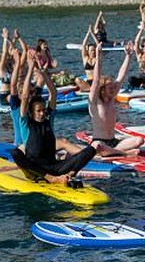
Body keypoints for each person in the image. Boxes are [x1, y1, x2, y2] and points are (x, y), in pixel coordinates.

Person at [10, 53, 117, 185]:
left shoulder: (48, 119)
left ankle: (69, 175)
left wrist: (43, 72)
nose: (42, 113)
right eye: (39, 111)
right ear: (31, 113)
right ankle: (52, 179)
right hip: (36, 171)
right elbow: (25, 96)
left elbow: (53, 93)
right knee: (15, 153)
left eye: (44, 110)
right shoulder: (26, 123)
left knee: (93, 148)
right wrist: (31, 68)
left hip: (54, 167)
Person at [88, 43, 143, 155]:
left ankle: (115, 151)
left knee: (139, 140)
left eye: (113, 87)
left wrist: (128, 56)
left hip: (113, 142)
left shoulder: (111, 98)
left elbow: (121, 76)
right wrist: (98, 57)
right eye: (110, 88)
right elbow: (96, 79)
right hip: (99, 142)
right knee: (98, 146)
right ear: (102, 89)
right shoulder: (95, 101)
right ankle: (125, 153)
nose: (114, 90)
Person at [74, 25, 99, 93]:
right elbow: (83, 45)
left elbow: (98, 45)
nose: (93, 52)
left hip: (96, 82)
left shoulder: (97, 59)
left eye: (94, 50)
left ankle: (89, 89)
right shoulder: (85, 58)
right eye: (91, 50)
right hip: (88, 82)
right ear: (88, 51)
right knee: (77, 79)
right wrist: (88, 33)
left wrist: (93, 34)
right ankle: (89, 89)